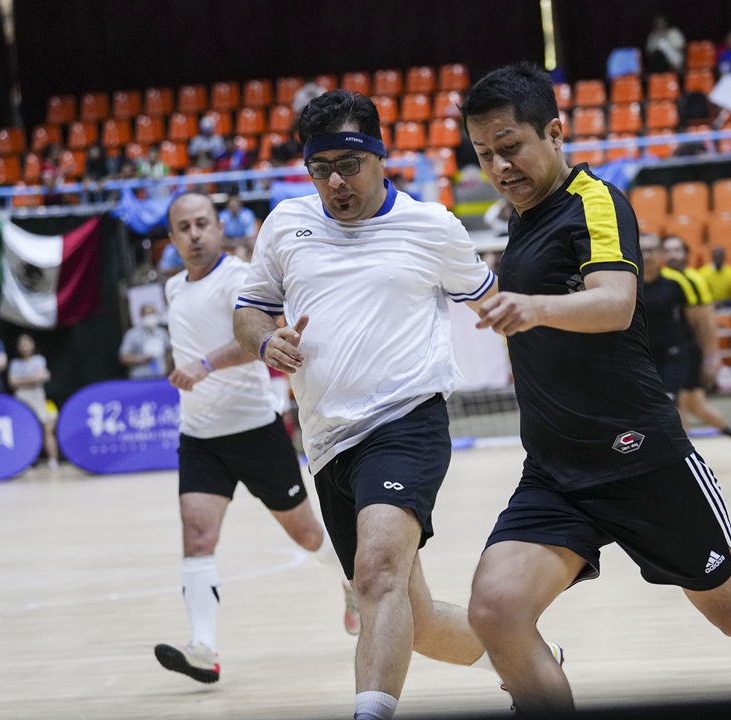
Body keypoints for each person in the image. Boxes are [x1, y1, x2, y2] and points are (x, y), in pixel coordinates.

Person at [461, 62, 731, 714]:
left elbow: (614, 303)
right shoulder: (518, 218)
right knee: (496, 610)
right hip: (556, 472)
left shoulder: (597, 202)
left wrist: (530, 308)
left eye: (510, 147)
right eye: (483, 154)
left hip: (641, 457)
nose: (498, 166)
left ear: (555, 132)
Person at [233, 89, 538, 720]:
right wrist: (265, 340)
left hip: (406, 423)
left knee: (375, 577)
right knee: (412, 619)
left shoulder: (432, 227)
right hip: (324, 441)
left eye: (349, 164)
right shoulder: (286, 223)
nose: (336, 182)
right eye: (321, 170)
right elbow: (249, 310)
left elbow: (496, 305)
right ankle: (530, 664)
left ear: (380, 155)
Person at [153, 191, 357, 685]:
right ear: (173, 237)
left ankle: (354, 585)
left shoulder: (239, 277)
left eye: (203, 223)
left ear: (219, 227)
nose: (195, 234)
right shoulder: (174, 287)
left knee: (307, 534)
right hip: (199, 436)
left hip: (253, 430)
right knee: (197, 536)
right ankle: (203, 648)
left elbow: (258, 339)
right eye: (185, 227)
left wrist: (204, 365)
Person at [659, 235, 731, 466]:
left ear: (686, 254)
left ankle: (684, 462)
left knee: (678, 404)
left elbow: (706, 321)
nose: (673, 255)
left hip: (685, 351)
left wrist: (712, 357)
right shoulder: (662, 279)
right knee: (695, 405)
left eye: (677, 250)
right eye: (668, 250)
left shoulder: (693, 279)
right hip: (672, 351)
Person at [8, 334, 59, 469]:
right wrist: (32, 378)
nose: (24, 346)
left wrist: (22, 380)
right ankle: (26, 462)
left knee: (46, 429)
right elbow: (12, 382)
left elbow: (41, 376)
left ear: (33, 344)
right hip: (21, 399)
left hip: (38, 398)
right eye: (21, 344)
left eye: (27, 343)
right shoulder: (15, 363)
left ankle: (53, 460)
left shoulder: (39, 360)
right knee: (24, 432)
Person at [119, 304, 172, 379]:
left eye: (152, 313)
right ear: (141, 316)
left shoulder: (162, 333)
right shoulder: (132, 334)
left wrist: (168, 367)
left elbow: (169, 351)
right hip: (141, 377)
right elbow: (123, 357)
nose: (150, 316)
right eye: (147, 314)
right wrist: (141, 359)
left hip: (161, 376)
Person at [217, 192, 258, 260]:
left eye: (236, 206)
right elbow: (220, 237)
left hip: (244, 245)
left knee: (252, 243)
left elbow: (250, 237)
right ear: (228, 206)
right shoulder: (222, 216)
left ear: (240, 206)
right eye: (232, 206)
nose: (234, 209)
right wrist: (232, 243)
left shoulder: (248, 215)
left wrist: (236, 243)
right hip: (228, 245)